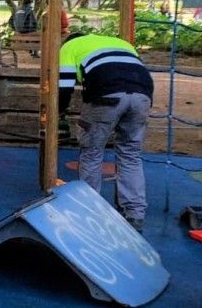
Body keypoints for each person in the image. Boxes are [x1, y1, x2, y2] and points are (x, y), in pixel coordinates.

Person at [58, 32, 154, 232]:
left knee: (92, 151)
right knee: (131, 154)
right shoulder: (121, 42)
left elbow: (65, 84)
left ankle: (90, 210)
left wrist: (58, 111)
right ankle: (134, 215)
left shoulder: (69, 47)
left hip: (106, 95)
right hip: (142, 95)